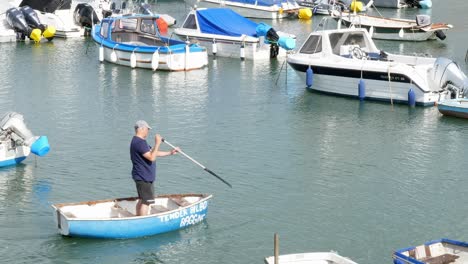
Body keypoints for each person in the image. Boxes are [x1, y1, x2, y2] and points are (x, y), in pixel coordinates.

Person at [130, 120, 179, 216]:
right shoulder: (139, 143)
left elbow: (153, 153)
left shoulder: (140, 142)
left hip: (143, 176)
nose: (148, 131)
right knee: (146, 202)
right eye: (147, 129)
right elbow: (152, 157)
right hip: (143, 176)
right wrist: (157, 143)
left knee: (142, 199)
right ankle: (142, 221)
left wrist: (170, 152)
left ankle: (138, 218)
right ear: (141, 128)